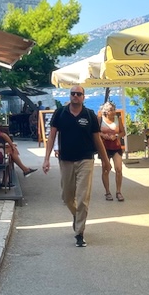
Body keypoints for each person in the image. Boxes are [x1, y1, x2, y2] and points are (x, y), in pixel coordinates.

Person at [43, 85, 111, 248]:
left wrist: (105, 161)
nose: (75, 96)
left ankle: (79, 233)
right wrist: (46, 159)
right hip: (65, 160)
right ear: (70, 96)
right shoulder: (60, 113)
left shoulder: (89, 115)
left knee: (82, 198)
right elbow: (51, 137)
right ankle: (77, 216)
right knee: (67, 197)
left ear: (83, 97)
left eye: (78, 94)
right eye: (73, 93)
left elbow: (97, 139)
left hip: (85, 159)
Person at [0, 120, 36, 185]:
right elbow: (4, 135)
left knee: (10, 151)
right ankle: (21, 171)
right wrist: (12, 146)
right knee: (11, 154)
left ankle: (25, 169)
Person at [99, 102, 126, 201]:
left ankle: (118, 191)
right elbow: (96, 132)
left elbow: (123, 132)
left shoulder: (117, 119)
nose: (113, 111)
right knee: (106, 170)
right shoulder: (100, 119)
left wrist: (117, 136)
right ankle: (107, 192)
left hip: (116, 146)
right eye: (111, 110)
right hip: (104, 147)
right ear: (106, 111)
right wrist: (103, 135)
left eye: (114, 109)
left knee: (118, 169)